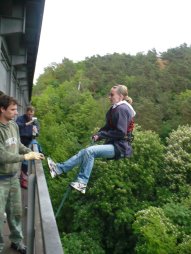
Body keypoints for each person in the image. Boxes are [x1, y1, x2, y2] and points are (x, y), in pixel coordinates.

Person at [47, 84, 136, 194]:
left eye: (112, 95)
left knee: (90, 151)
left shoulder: (122, 109)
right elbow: (108, 127)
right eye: (109, 94)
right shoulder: (115, 109)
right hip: (116, 144)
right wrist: (98, 134)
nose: (109, 97)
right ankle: (58, 169)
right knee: (84, 152)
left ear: (120, 96)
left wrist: (102, 135)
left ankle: (82, 183)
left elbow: (121, 132)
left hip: (121, 147)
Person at [0, 95, 44, 253]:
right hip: (1, 180)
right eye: (12, 109)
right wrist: (24, 157)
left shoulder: (13, 126)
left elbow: (17, 145)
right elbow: (2, 155)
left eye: (16, 109)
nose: (16, 112)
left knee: (16, 212)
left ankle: (16, 241)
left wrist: (30, 152)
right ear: (2, 109)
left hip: (13, 178)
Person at [16, 106, 40, 189]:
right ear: (26, 112)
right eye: (29, 114)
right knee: (22, 160)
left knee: (36, 144)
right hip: (20, 141)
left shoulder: (35, 121)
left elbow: (37, 133)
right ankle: (22, 177)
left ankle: (24, 178)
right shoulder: (20, 119)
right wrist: (28, 123)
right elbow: (17, 126)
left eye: (32, 114)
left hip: (29, 140)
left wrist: (36, 131)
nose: (30, 116)